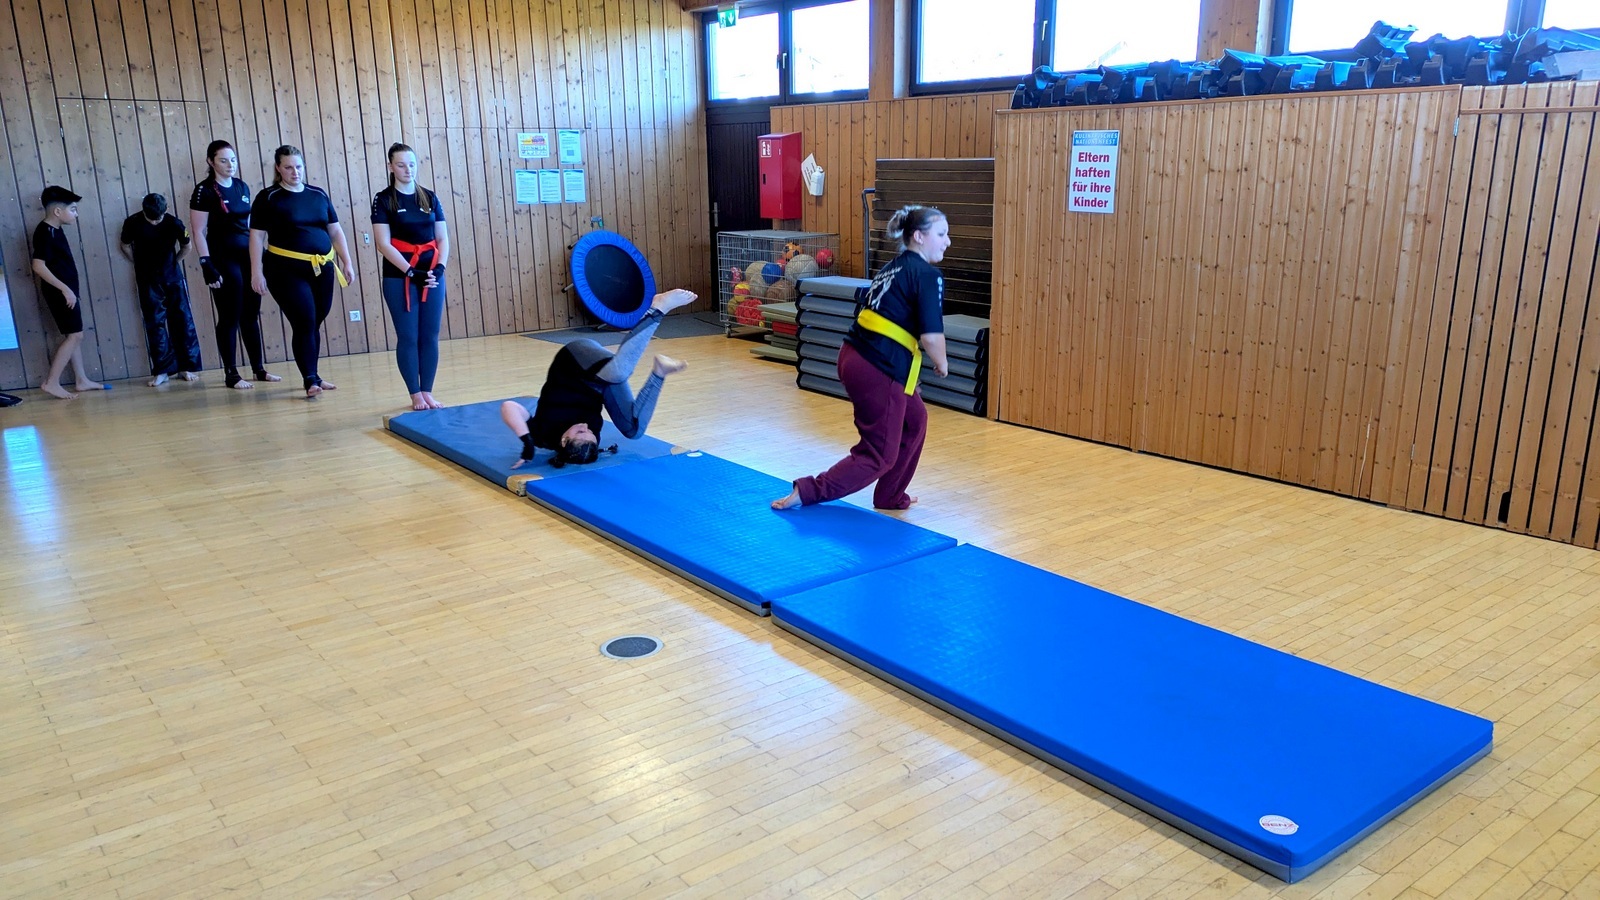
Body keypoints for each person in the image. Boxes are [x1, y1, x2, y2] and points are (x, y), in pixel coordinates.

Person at [773, 205, 950, 512]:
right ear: (919, 237)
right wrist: (942, 364)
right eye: (942, 234)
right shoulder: (927, 274)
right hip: (877, 366)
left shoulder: (892, 268)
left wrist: (905, 376)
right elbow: (931, 337)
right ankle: (808, 491)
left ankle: (890, 495)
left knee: (914, 419)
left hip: (857, 356)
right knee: (878, 454)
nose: (947, 241)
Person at [501, 288, 697, 468]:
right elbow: (593, 431)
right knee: (634, 431)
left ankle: (657, 309)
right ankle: (659, 373)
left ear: (563, 441)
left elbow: (510, 407)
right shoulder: (587, 435)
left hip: (574, 362)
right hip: (601, 385)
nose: (586, 426)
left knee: (618, 372)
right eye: (591, 433)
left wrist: (527, 441)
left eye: (580, 432)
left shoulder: (543, 435)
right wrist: (587, 434)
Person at [248, 145, 356, 398]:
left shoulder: (318, 194)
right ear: (278, 168)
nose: (294, 172)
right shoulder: (268, 197)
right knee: (305, 320)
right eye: (288, 167)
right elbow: (256, 237)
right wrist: (256, 271)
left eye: (298, 167)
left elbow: (335, 230)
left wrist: (347, 261)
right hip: (285, 270)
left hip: (322, 267)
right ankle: (309, 379)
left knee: (315, 320)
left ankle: (314, 374)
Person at [191, 140, 278, 389]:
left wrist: (260, 256)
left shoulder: (241, 186)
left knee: (250, 314)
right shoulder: (204, 190)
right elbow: (198, 231)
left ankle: (258, 369)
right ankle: (231, 374)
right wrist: (206, 263)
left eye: (233, 160)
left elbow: (250, 225)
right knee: (230, 315)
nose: (230, 165)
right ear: (211, 162)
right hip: (222, 258)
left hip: (247, 256)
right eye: (223, 160)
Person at [371, 142, 450, 411]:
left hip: (431, 275)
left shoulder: (429, 197)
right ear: (391, 167)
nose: (408, 170)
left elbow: (442, 238)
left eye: (412, 164)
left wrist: (439, 268)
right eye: (401, 165)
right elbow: (383, 243)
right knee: (408, 336)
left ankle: (427, 390)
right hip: (400, 277)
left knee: (430, 334)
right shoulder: (384, 199)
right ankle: (415, 393)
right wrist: (410, 271)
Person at [31, 186, 105, 399]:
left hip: (67, 291)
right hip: (60, 293)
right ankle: (51, 382)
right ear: (57, 211)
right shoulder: (44, 232)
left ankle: (81, 380)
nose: (76, 214)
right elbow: (38, 266)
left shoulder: (55, 230)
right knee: (75, 335)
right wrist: (65, 289)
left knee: (74, 334)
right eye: (73, 209)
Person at [121, 193, 203, 386]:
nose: (155, 221)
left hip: (172, 278)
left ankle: (186, 367)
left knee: (183, 321)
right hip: (148, 280)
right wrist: (138, 264)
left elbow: (187, 247)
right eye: (151, 218)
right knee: (155, 323)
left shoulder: (175, 223)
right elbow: (125, 245)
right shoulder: (132, 222)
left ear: (166, 210)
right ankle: (162, 370)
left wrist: (174, 263)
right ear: (143, 211)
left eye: (158, 218)